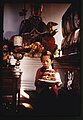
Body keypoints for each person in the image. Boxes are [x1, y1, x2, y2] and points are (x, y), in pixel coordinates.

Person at [34, 50, 62, 114]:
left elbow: (59, 83)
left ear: (51, 61)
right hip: (41, 93)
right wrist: (40, 82)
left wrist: (57, 83)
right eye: (43, 61)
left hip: (52, 94)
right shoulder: (39, 70)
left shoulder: (55, 71)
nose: (45, 63)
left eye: (47, 61)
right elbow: (36, 83)